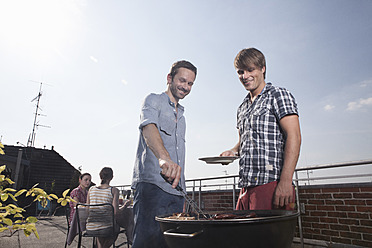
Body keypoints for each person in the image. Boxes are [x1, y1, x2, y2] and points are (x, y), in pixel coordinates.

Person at [220, 48, 301, 210]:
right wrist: (233, 151)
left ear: (262, 68)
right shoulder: (242, 107)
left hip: (271, 183)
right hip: (246, 185)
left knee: (269, 236)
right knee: (242, 235)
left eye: (251, 70)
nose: (245, 76)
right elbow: (244, 140)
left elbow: (294, 136)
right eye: (240, 72)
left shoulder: (278, 95)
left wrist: (285, 182)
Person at [131, 60, 197, 248]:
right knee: (146, 243)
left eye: (190, 83)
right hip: (152, 187)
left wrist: (182, 192)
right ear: (169, 78)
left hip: (176, 192)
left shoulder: (182, 117)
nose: (185, 87)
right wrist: (163, 157)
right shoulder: (153, 100)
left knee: (171, 244)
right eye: (182, 81)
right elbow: (148, 127)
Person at [86, 167, 120, 248]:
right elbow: (116, 212)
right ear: (111, 177)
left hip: (90, 227)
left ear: (100, 176)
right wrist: (125, 206)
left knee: (101, 229)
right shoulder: (114, 190)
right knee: (117, 227)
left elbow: (87, 210)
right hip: (106, 228)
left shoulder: (91, 189)